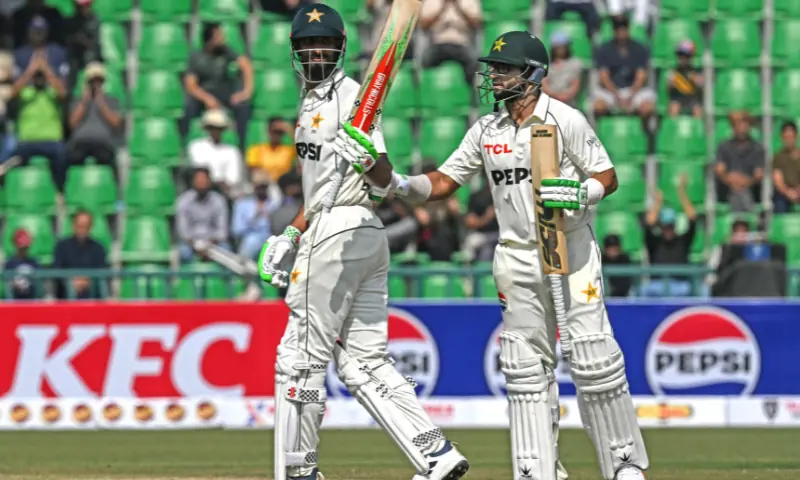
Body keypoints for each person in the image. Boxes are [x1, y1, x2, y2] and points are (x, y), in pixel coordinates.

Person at [361, 30, 649, 480]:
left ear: (532, 75)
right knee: (524, 368)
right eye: (493, 69)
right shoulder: (486, 131)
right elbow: (442, 183)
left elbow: (607, 178)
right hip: (516, 256)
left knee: (594, 358)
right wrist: (395, 182)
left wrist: (578, 192)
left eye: (504, 69)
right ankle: (537, 469)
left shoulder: (565, 119)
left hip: (570, 250)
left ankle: (624, 465)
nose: (494, 77)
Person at [257, 5, 469, 480]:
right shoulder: (309, 103)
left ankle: (298, 470)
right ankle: (434, 452)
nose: (315, 54)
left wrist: (370, 158)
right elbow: (316, 190)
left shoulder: (353, 97)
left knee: (299, 359)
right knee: (362, 362)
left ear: (340, 49)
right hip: (349, 233)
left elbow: (380, 177)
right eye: (307, 47)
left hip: (343, 231)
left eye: (325, 46)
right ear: (295, 53)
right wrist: (290, 234)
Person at [181, 22, 253, 152]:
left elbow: (245, 65)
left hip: (225, 94)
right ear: (209, 40)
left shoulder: (226, 51)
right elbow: (191, 86)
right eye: (219, 36)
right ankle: (184, 143)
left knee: (244, 107)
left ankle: (242, 144)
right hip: (205, 96)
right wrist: (207, 99)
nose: (222, 38)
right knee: (188, 107)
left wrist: (246, 92)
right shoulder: (196, 57)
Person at [10, 45, 68, 191]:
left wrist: (46, 68)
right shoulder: (26, 93)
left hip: (52, 141)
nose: (39, 79)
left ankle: (59, 192)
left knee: (62, 158)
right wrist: (31, 70)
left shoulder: (52, 93)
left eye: (41, 77)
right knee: (11, 162)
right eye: (37, 76)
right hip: (27, 141)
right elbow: (12, 93)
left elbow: (63, 93)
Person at [642, 174, 697, 297]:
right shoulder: (654, 242)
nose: (668, 230)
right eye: (665, 226)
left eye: (670, 226)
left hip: (680, 285)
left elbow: (693, 219)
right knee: (644, 291)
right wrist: (658, 202)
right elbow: (648, 224)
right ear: (661, 226)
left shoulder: (683, 241)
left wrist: (682, 193)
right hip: (657, 285)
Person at [592, 14, 655, 122]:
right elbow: (604, 76)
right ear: (614, 31)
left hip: (633, 90)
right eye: (618, 29)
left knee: (647, 108)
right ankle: (598, 136)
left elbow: (641, 76)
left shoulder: (639, 48)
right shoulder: (604, 49)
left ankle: (643, 136)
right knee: (598, 107)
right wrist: (616, 94)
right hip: (611, 91)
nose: (621, 32)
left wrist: (631, 94)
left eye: (623, 29)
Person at [68, 62, 123, 175]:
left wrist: (101, 102)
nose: (95, 84)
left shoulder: (111, 100)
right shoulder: (78, 100)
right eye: (92, 81)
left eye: (98, 81)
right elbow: (72, 123)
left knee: (107, 159)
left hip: (103, 142)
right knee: (73, 159)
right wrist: (84, 102)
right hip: (81, 142)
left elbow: (116, 122)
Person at [176, 167, 232, 263]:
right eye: (198, 179)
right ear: (193, 182)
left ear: (209, 182)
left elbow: (222, 231)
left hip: (214, 243)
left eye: (204, 179)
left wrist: (208, 246)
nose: (201, 182)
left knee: (226, 249)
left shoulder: (218, 201)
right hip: (191, 243)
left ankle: (220, 278)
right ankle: (189, 278)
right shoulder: (184, 201)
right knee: (183, 252)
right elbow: (183, 231)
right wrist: (196, 246)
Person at [419, 0, 482, 83]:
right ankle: (428, 90)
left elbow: (476, 24)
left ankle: (471, 93)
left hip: (461, 44)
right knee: (426, 59)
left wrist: (458, 6)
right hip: (438, 44)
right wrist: (443, 7)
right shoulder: (430, 1)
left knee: (473, 62)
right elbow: (423, 25)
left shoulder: (470, 1)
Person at [714, 110, 764, 212]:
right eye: (738, 125)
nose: (741, 129)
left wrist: (745, 182)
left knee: (742, 193)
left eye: (744, 125)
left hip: (750, 188)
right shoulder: (723, 146)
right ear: (733, 127)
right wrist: (731, 180)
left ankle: (738, 222)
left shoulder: (758, 148)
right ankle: (747, 221)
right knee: (738, 194)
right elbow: (719, 170)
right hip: (727, 188)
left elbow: (758, 174)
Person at [188, 108, 243, 199]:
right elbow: (198, 172)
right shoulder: (196, 147)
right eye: (212, 128)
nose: (216, 131)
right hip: (199, 191)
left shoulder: (232, 151)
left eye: (219, 128)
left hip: (223, 194)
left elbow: (232, 179)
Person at [52, 210, 108, 299]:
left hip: (91, 296)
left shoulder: (98, 248)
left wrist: (87, 281)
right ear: (73, 226)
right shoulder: (62, 247)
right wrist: (71, 281)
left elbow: (102, 272)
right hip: (66, 298)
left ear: (90, 227)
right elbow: (56, 270)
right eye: (79, 226)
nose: (82, 230)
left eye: (85, 227)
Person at [231, 170, 274, 260]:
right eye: (259, 186)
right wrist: (255, 216)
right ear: (253, 186)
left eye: (264, 186)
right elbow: (236, 230)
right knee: (252, 241)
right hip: (249, 239)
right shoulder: (242, 204)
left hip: (271, 239)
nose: (261, 189)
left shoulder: (274, 204)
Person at [246, 116, 296, 183]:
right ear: (268, 131)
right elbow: (254, 170)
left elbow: (300, 149)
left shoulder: (288, 150)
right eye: (274, 131)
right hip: (264, 186)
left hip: (284, 185)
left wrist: (290, 130)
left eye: (280, 132)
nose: (277, 135)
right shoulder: (256, 149)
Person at [65, 0, 101, 88]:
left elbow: (95, 46)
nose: (81, 9)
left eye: (84, 6)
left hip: (91, 60)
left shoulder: (95, 21)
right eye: (79, 6)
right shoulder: (72, 22)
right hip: (74, 60)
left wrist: (84, 41)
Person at [542, 31, 583, 108]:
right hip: (550, 101)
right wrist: (555, 96)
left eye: (563, 46)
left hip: (569, 102)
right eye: (558, 47)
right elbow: (544, 84)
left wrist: (564, 97)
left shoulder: (576, 63)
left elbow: (575, 85)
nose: (561, 49)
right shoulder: (546, 63)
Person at [463, 181, 498, 262]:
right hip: (481, 234)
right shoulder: (477, 196)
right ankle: (467, 273)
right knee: (471, 242)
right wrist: (487, 217)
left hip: (500, 234)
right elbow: (470, 222)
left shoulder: (505, 196)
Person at [666, 40, 703, 117]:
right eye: (680, 55)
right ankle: (673, 128)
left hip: (692, 98)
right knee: (673, 108)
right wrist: (673, 82)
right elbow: (669, 85)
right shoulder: (674, 71)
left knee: (697, 110)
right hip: (678, 98)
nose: (683, 58)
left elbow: (701, 84)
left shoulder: (695, 70)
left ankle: (698, 128)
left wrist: (693, 78)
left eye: (686, 56)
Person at [3, 228, 41, 300]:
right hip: (15, 300)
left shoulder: (34, 262)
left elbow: (39, 283)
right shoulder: (10, 263)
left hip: (31, 299)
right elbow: (7, 284)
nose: (23, 250)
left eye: (25, 248)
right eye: (21, 248)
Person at [772, 121, 800, 213]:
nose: (789, 140)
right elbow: (778, 180)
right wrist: (788, 192)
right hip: (784, 193)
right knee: (779, 202)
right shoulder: (778, 157)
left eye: (791, 137)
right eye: (786, 137)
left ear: (796, 137)